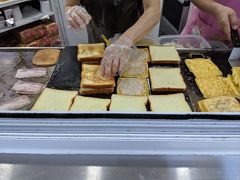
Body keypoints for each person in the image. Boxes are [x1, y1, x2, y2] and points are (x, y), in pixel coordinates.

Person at [65, 0, 160, 77]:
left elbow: (153, 10)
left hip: (133, 44)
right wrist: (72, 12)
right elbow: (70, 5)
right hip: (97, 47)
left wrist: (124, 41)